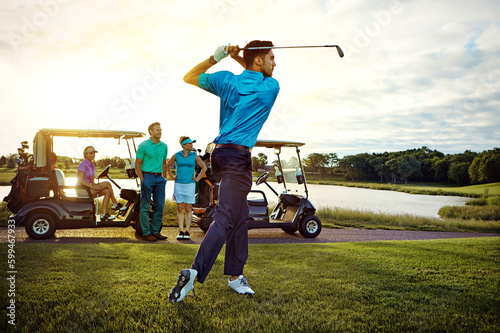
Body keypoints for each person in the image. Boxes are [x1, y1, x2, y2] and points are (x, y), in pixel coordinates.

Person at [168, 40, 279, 302]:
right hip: (239, 157)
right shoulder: (270, 87)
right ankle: (194, 272)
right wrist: (242, 58)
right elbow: (257, 72)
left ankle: (235, 277)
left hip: (218, 154)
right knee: (227, 216)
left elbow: (190, 77)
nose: (276, 63)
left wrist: (219, 57)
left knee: (240, 217)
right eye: (271, 58)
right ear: (261, 61)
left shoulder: (227, 80)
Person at [167, 136, 207, 240]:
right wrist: (171, 177)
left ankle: (187, 231)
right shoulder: (176, 155)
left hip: (190, 185)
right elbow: (167, 165)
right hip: (179, 185)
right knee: (180, 208)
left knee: (189, 209)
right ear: (184, 145)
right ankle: (180, 231)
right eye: (189, 143)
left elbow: (204, 167)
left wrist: (198, 178)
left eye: (192, 143)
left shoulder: (194, 156)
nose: (191, 145)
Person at [135, 122, 169, 241]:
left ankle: (155, 231)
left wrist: (164, 178)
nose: (160, 132)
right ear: (151, 132)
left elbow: (164, 163)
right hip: (147, 177)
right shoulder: (143, 145)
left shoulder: (164, 146)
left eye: (160, 130)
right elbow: (137, 164)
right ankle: (146, 232)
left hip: (159, 178)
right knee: (145, 206)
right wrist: (142, 179)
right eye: (157, 130)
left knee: (159, 205)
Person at [77, 146, 123, 221]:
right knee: (107, 183)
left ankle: (103, 214)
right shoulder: (83, 164)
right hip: (82, 190)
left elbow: (91, 180)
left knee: (107, 191)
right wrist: (92, 187)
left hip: (88, 188)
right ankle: (115, 204)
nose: (93, 155)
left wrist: (93, 184)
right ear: (85, 154)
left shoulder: (92, 165)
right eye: (91, 153)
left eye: (94, 153)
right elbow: (80, 181)